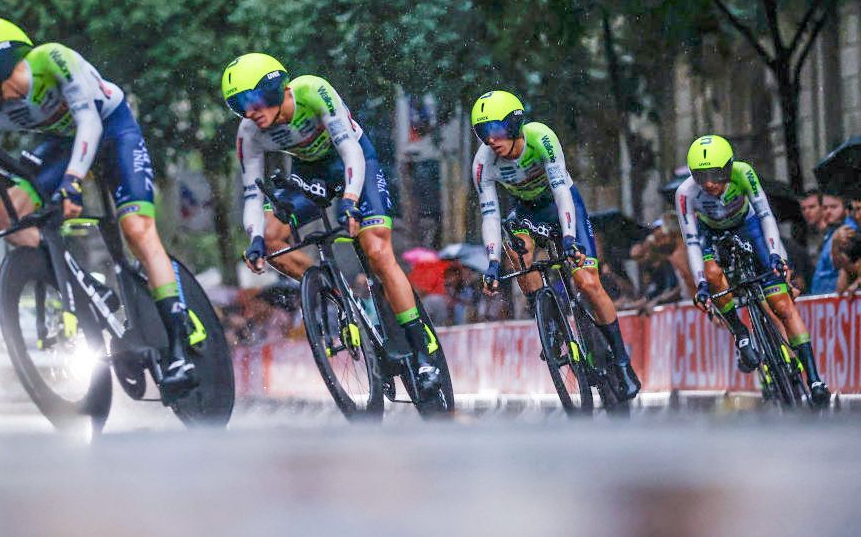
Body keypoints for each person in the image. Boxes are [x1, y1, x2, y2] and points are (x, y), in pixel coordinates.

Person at [0, 16, 198, 396]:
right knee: (6, 212)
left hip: (112, 129)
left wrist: (72, 183)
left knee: (137, 232)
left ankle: (180, 348)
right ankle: (83, 286)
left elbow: (89, 123)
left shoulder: (53, 60)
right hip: (63, 143)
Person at [222, 53, 444, 394]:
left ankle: (422, 351)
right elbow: (253, 192)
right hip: (311, 176)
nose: (250, 112)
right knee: (270, 244)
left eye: (253, 99)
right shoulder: (249, 132)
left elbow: (350, 151)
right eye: (239, 105)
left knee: (376, 250)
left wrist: (351, 201)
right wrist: (254, 240)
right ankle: (336, 293)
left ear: (277, 88)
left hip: (353, 163)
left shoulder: (313, 91)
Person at [470, 90, 640, 401]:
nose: (490, 139)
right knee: (517, 255)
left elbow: (562, 191)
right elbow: (490, 214)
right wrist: (492, 261)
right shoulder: (483, 163)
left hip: (560, 207)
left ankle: (621, 360)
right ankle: (546, 316)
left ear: (515, 124)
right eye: (483, 132)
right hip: (525, 213)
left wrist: (570, 238)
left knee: (587, 281)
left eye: (495, 129)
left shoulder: (541, 138)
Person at [676, 135, 829, 404]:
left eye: (716, 174)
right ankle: (741, 333)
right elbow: (691, 241)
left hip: (749, 228)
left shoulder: (744, 172)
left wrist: (774, 255)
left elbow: (765, 214)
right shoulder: (685, 193)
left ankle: (814, 378)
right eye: (702, 176)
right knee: (712, 276)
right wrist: (700, 283)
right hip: (710, 234)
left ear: (729, 165)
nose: (710, 183)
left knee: (782, 304)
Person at [809, 194, 859, 295]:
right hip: (824, 301)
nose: (828, 211)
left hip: (838, 300)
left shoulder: (847, 231)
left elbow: (844, 266)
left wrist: (835, 245)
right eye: (824, 208)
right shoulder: (832, 232)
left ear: (846, 209)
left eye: (833, 207)